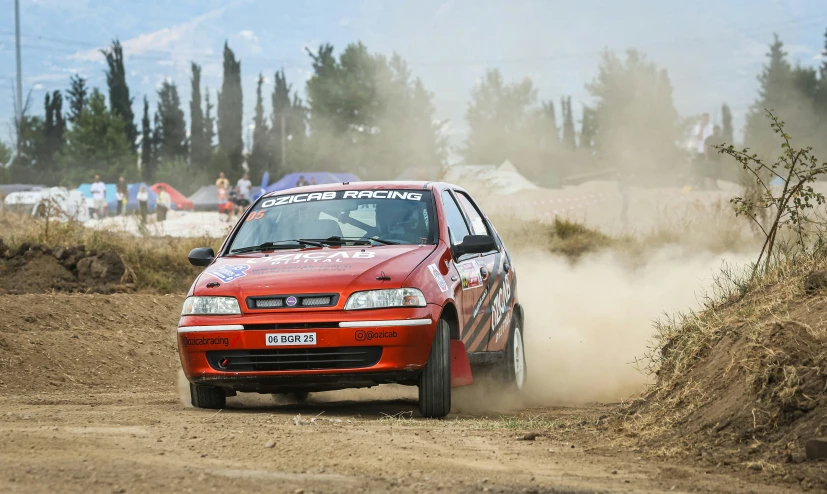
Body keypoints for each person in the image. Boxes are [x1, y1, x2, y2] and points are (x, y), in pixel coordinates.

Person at [691, 113, 713, 188]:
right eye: (704, 119)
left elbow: (711, 139)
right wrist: (702, 128)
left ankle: (710, 184)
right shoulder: (697, 127)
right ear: (701, 119)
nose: (705, 121)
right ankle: (701, 183)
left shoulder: (711, 127)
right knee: (700, 167)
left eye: (707, 119)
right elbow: (699, 138)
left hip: (709, 150)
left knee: (708, 168)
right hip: (700, 150)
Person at [704, 125, 722, 190]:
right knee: (711, 172)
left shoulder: (720, 139)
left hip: (718, 158)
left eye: (717, 130)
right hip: (711, 158)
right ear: (713, 130)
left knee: (716, 172)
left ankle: (715, 185)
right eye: (715, 129)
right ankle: (711, 186)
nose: (716, 131)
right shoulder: (709, 138)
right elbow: (705, 147)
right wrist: (706, 156)